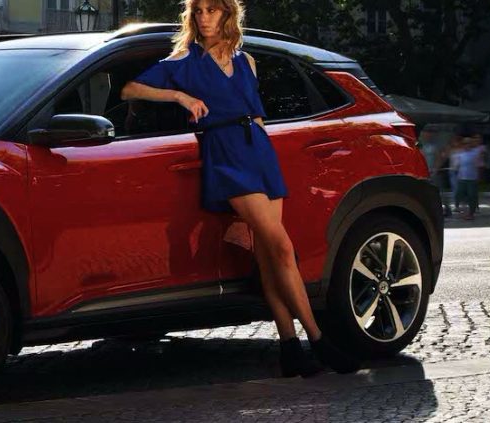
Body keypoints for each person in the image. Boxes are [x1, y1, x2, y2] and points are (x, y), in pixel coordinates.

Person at [120, 0, 359, 377]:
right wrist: (180, 97)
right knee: (283, 248)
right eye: (199, 11)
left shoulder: (246, 61)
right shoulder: (183, 61)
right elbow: (131, 90)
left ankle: (289, 349)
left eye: (212, 10)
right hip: (224, 152)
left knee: (268, 255)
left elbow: (257, 115)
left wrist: (266, 156)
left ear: (227, 14)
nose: (204, 17)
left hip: (258, 150)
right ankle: (319, 341)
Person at [451, 128, 485, 220]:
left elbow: (479, 165)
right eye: (465, 143)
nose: (467, 145)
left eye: (469, 143)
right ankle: (461, 209)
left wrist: (479, 176)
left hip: (472, 178)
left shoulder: (475, 153)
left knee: (472, 195)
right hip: (462, 178)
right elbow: (456, 165)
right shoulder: (460, 154)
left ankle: (471, 213)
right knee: (459, 194)